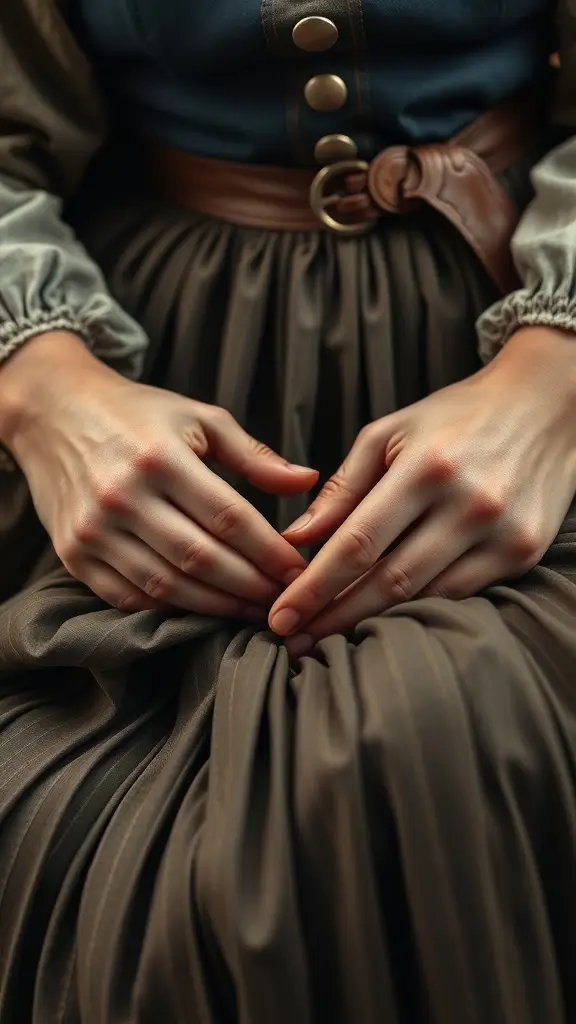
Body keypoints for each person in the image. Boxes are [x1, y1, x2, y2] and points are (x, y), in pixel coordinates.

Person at [1, 0, 576, 1019]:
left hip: (509, 340)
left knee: (435, 743)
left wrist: (555, 380)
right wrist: (40, 388)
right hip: (137, 372)